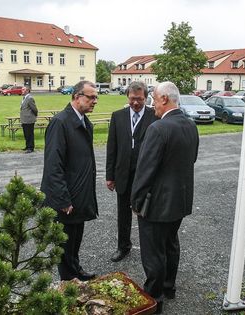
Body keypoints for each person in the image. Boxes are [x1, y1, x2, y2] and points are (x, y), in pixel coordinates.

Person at [131, 81, 199, 314]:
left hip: (157, 204)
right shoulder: (191, 125)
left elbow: (144, 170)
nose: (152, 106)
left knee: (153, 252)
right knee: (170, 243)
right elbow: (192, 159)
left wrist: (136, 201)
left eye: (153, 100)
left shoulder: (158, 128)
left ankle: (154, 297)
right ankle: (169, 287)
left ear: (164, 99)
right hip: (179, 201)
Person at [40, 80, 99, 281]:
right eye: (91, 97)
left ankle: (76, 270)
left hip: (79, 194)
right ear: (76, 97)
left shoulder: (84, 122)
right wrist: (62, 199)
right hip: (67, 197)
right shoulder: (60, 122)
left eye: (96, 97)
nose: (95, 101)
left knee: (75, 238)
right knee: (64, 244)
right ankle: (68, 282)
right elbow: (53, 166)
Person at [106, 81, 157, 262]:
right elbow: (112, 147)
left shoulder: (154, 116)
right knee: (123, 214)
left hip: (146, 177)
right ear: (127, 96)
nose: (136, 103)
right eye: (133, 99)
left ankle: (149, 250)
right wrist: (110, 176)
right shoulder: (118, 116)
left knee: (147, 213)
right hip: (123, 175)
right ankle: (123, 247)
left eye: (140, 99)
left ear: (146, 97)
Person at [20, 86, 38, 153]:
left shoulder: (30, 98)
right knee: (26, 134)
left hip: (29, 119)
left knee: (29, 134)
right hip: (24, 119)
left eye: (23, 89)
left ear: (27, 90)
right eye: (22, 89)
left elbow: (34, 109)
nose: (22, 90)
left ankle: (31, 148)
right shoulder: (24, 98)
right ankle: (27, 146)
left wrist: (34, 116)